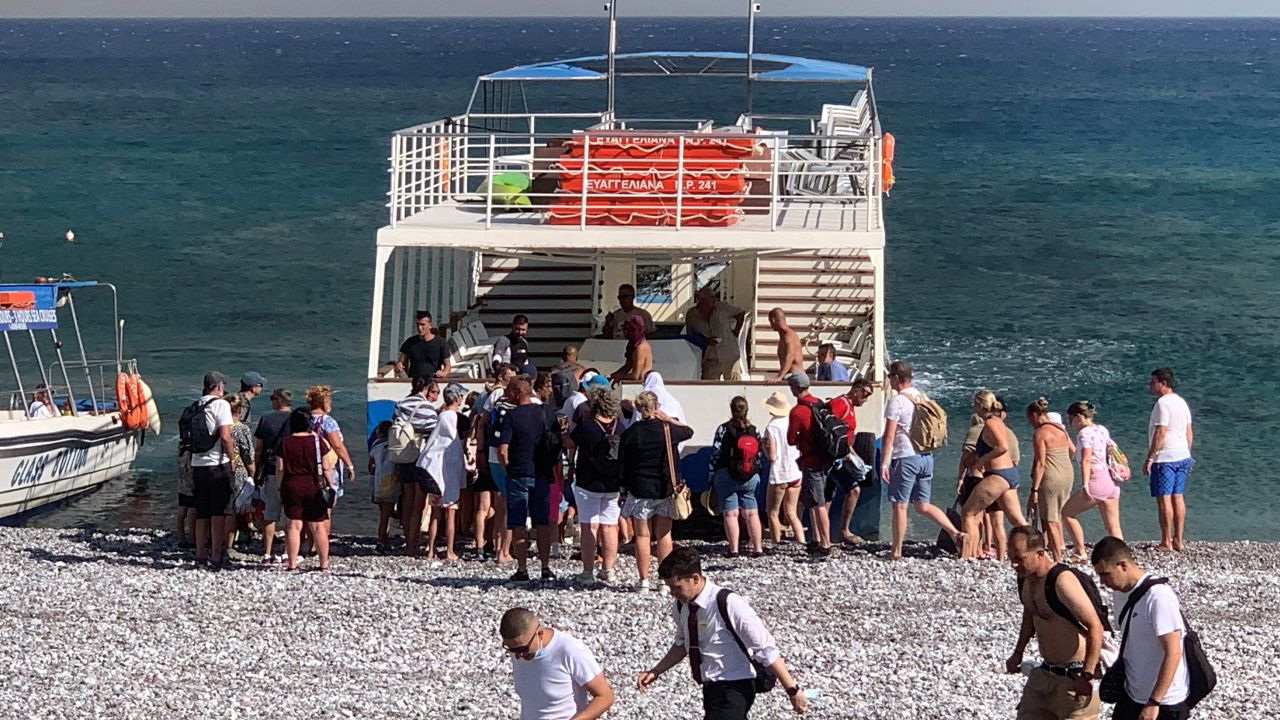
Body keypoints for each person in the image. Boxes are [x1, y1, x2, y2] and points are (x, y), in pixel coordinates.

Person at [638, 546, 809, 719]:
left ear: (695, 578)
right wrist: (656, 671)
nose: (673, 594)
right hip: (710, 688)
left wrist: (792, 690)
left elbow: (765, 648)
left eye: (677, 587)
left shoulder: (728, 602)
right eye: (670, 588)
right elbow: (682, 644)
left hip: (736, 686)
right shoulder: (681, 606)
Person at [1006, 526, 1104, 720]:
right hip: (1044, 674)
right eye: (1011, 558)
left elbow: (1095, 626)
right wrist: (1018, 653)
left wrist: (1087, 675)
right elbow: (1030, 615)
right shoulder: (1025, 579)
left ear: (1040, 553)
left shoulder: (1062, 581)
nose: (1014, 565)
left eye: (1019, 558)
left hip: (1074, 678)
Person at [1091, 537, 1193, 720]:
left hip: (1165, 702)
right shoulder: (1120, 593)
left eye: (1105, 574)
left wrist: (1154, 702)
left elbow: (1174, 652)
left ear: (1123, 565)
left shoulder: (1158, 597)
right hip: (1132, 695)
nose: (1102, 582)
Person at [879, 361, 964, 560]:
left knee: (900, 505)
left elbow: (889, 436)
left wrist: (884, 462)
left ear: (896, 378)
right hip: (926, 457)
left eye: (890, 377)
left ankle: (896, 551)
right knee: (922, 505)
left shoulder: (897, 401)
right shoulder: (922, 396)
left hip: (906, 457)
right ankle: (956, 533)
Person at [619, 390, 692, 592]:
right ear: (657, 406)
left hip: (640, 487)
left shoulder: (632, 432)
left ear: (638, 408)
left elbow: (623, 464)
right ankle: (663, 580)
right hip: (665, 487)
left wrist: (623, 488)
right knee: (664, 535)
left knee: (642, 536)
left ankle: (643, 581)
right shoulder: (667, 430)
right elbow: (688, 431)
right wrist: (669, 419)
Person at [500, 607, 614, 720]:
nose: (518, 656)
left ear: (539, 634)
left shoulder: (570, 651)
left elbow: (605, 697)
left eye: (523, 649)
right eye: (511, 649)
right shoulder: (519, 650)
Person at [498, 376, 556, 582]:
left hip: (519, 473)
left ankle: (522, 568)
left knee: (518, 523)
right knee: (542, 523)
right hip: (542, 473)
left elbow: (503, 450)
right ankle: (546, 567)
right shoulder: (546, 412)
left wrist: (508, 470)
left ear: (515, 393)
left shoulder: (512, 416)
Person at [959, 391, 1029, 559]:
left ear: (980, 405)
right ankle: (1037, 549)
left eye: (974, 404)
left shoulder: (990, 423)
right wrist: (976, 455)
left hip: (998, 475)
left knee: (968, 513)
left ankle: (967, 557)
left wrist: (981, 461)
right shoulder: (997, 422)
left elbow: (1002, 447)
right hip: (1009, 474)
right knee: (1018, 520)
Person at [569, 387, 623, 585]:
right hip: (613, 482)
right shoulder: (620, 426)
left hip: (588, 480)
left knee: (588, 526)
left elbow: (570, 442)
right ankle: (608, 569)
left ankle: (588, 570)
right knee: (610, 526)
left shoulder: (587, 425)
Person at [1062, 401, 1123, 563]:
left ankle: (1080, 552)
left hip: (1097, 479)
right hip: (1111, 480)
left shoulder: (1084, 434)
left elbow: (1086, 460)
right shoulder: (1102, 429)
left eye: (1071, 419)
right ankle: (1122, 558)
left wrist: (1085, 484)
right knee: (1113, 526)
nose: (1070, 423)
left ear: (1078, 417)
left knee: (1067, 514)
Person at [278, 408, 334, 571]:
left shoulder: (285, 442)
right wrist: (330, 486)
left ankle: (292, 563)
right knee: (318, 525)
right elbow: (326, 467)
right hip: (314, 484)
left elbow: (280, 468)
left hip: (292, 484)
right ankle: (324, 563)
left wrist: (279, 486)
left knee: (293, 525)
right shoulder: (317, 441)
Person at [191, 371, 237, 569]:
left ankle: (200, 553)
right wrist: (232, 458)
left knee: (202, 511)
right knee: (218, 511)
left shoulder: (196, 404)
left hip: (197, 463)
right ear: (218, 386)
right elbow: (225, 435)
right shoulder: (221, 404)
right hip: (217, 463)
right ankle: (217, 554)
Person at [708, 397, 764, 557]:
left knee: (731, 514)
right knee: (752, 513)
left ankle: (734, 550)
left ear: (731, 409)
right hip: (750, 476)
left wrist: (711, 476)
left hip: (727, 475)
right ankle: (758, 548)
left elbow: (715, 454)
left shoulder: (723, 429)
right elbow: (759, 455)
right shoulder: (754, 430)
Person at [785, 372, 833, 557]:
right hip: (824, 460)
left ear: (794, 389)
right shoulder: (819, 403)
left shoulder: (797, 411)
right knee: (814, 501)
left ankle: (825, 543)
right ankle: (817, 539)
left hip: (810, 461)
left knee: (818, 503)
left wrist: (800, 441)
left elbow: (790, 439)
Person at [1145, 368, 1193, 552]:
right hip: (1182, 455)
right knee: (1178, 496)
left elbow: (1161, 431)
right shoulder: (1181, 402)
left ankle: (1166, 541)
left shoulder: (1163, 403)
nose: (1150, 385)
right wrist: (1187, 452)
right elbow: (1189, 431)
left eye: (1153, 382)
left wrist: (1151, 457)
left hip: (1165, 457)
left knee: (1164, 499)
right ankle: (1178, 539)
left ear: (1162, 383)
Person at [420, 382, 469, 561]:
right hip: (449, 474)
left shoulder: (440, 416)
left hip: (435, 472)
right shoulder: (458, 419)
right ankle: (449, 550)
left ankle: (431, 549)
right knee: (450, 513)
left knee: (435, 512)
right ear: (457, 398)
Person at [1028, 398, 1077, 562]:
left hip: (1052, 476)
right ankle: (1058, 551)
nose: (1030, 423)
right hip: (1067, 473)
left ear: (1035, 415)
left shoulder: (1040, 433)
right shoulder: (1060, 429)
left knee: (1050, 520)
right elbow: (1072, 450)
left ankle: (1057, 558)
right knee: (1058, 513)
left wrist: (1034, 490)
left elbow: (1041, 463)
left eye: (1030, 419)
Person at [396, 377, 440, 557]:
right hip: (419, 456)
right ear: (427, 389)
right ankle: (412, 544)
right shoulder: (426, 407)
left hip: (402, 455)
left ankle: (407, 538)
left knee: (406, 500)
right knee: (418, 504)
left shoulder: (402, 403)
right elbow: (432, 431)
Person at [828, 378, 874, 545]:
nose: (866, 399)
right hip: (835, 457)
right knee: (853, 490)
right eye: (866, 395)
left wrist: (855, 455)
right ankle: (843, 530)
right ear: (856, 391)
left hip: (843, 454)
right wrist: (843, 452)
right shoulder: (841, 404)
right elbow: (830, 429)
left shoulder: (850, 406)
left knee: (828, 494)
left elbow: (846, 436)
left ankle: (823, 534)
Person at [253, 388, 293, 562]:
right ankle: (287, 551)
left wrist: (255, 470)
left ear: (277, 401)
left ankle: (267, 551)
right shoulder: (296, 419)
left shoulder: (266, 419)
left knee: (270, 512)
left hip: (270, 468)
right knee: (291, 514)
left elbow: (258, 449)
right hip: (292, 471)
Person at [761, 392, 805, 547]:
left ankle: (776, 543)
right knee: (792, 512)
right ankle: (801, 542)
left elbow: (773, 456)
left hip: (780, 473)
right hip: (796, 471)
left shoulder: (771, 427)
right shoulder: (793, 421)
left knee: (772, 512)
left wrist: (764, 448)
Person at [684, 286, 745, 380]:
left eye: (714, 297)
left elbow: (741, 313)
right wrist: (704, 340)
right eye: (711, 297)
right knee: (709, 385)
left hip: (728, 352)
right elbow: (691, 336)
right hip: (709, 356)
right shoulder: (692, 314)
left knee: (734, 385)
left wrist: (737, 331)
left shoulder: (722, 307)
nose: (714, 299)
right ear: (701, 300)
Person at [223, 394, 255, 552]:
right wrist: (253, 472)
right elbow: (248, 454)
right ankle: (231, 543)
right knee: (236, 508)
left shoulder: (220, 427)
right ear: (240, 410)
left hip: (219, 467)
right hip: (238, 469)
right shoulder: (242, 429)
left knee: (222, 506)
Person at [368, 420, 399, 553]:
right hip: (391, 481)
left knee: (383, 513)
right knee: (387, 515)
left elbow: (371, 466)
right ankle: (382, 540)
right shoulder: (394, 446)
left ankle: (384, 539)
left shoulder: (375, 446)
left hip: (378, 483)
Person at [396, 310, 451, 380]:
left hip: (432, 381)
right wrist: (399, 365)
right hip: (414, 382)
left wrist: (443, 373)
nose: (419, 328)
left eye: (423, 325)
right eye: (418, 324)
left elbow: (447, 365)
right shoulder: (410, 342)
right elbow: (401, 361)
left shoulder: (441, 343)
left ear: (430, 325)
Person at [610, 315, 653, 383]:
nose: (626, 332)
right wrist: (611, 376)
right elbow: (627, 367)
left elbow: (635, 376)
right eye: (625, 329)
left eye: (629, 329)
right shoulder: (632, 345)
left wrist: (619, 377)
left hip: (643, 383)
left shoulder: (641, 348)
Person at [767, 308, 805, 382]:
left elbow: (790, 356)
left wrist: (779, 377)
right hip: (790, 377)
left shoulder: (789, 335)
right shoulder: (784, 336)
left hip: (796, 377)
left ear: (773, 320)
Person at [550, 345, 586, 409]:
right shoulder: (580, 369)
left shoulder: (554, 371)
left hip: (556, 405)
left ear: (563, 356)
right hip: (573, 404)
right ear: (576, 356)